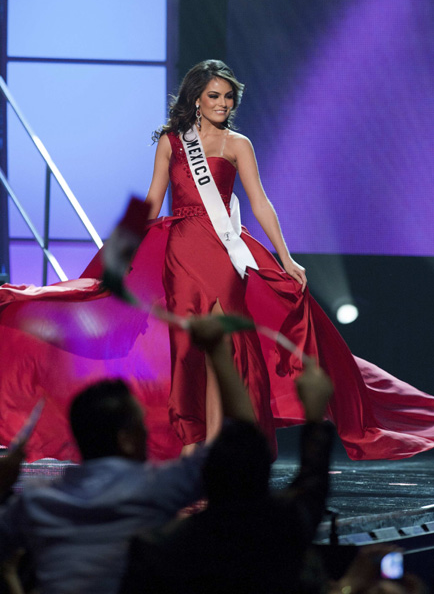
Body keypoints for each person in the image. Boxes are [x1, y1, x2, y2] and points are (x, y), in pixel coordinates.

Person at [1, 59, 434, 462]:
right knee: (188, 350)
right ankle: (196, 447)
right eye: (215, 96)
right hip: (181, 251)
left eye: (228, 97)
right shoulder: (173, 142)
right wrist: (113, 256)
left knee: (231, 347)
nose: (223, 104)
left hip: (223, 250)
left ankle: (240, 441)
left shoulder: (237, 144)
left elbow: (261, 203)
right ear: (196, 98)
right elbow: (151, 201)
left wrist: (286, 257)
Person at [0, 316, 255, 594]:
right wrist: (218, 351)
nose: (148, 433)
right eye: (141, 425)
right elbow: (244, 446)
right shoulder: (155, 488)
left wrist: (2, 488)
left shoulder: (37, 503)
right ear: (125, 440)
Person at [119, 346, 335, 594]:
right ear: (264, 471)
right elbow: (313, 480)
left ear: (203, 478)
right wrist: (315, 417)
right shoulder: (285, 528)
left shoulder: (168, 545)